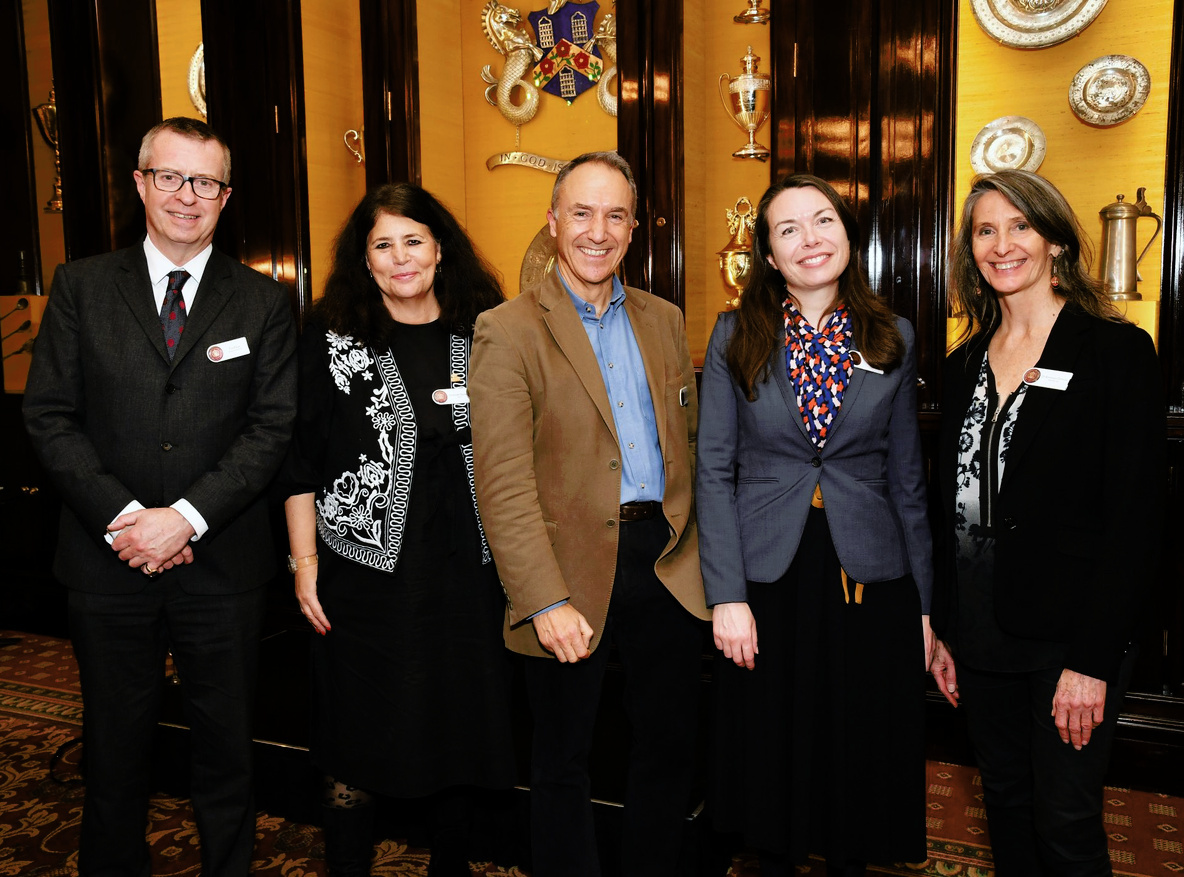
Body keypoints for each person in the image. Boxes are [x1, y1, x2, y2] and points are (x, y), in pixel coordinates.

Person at [23, 117, 298, 876]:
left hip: (222, 567)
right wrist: (126, 518)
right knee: (113, 751)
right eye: (171, 177)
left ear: (226, 195)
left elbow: (271, 428)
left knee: (226, 754)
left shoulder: (264, 302)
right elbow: (48, 414)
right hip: (106, 560)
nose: (187, 195)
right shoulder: (81, 286)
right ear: (141, 183)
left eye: (205, 181)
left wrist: (183, 519)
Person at [470, 151, 709, 877]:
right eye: (581, 212)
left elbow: (690, 450)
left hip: (665, 566)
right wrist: (542, 597)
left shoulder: (665, 321)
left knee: (668, 753)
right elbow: (502, 482)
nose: (596, 231)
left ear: (633, 229)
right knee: (562, 759)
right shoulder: (506, 330)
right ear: (553, 222)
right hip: (566, 574)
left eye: (614, 215)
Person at [929, 169, 1165, 876]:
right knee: (1003, 799)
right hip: (978, 631)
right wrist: (942, 626)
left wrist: (1092, 661)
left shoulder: (1114, 353)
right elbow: (949, 509)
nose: (1003, 245)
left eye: (1020, 226)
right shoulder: (961, 362)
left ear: (1056, 239)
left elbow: (1136, 519)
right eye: (985, 230)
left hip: (1070, 638)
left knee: (1064, 818)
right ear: (970, 250)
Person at [696, 174, 934, 877]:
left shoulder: (892, 336)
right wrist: (726, 593)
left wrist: (923, 607)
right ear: (769, 254)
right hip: (768, 568)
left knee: (857, 738)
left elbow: (907, 481)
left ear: (847, 236)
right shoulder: (736, 335)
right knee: (771, 740)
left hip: (867, 569)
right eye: (789, 229)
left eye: (823, 221)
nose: (810, 239)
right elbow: (713, 469)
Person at [279, 183, 514, 876]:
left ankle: (451, 865)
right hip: (361, 583)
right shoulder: (329, 338)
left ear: (440, 248)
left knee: (457, 731)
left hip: (470, 577)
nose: (400, 256)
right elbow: (297, 460)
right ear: (366, 259)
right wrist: (304, 565)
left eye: (413, 239)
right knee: (357, 737)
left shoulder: (490, 329)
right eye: (383, 244)